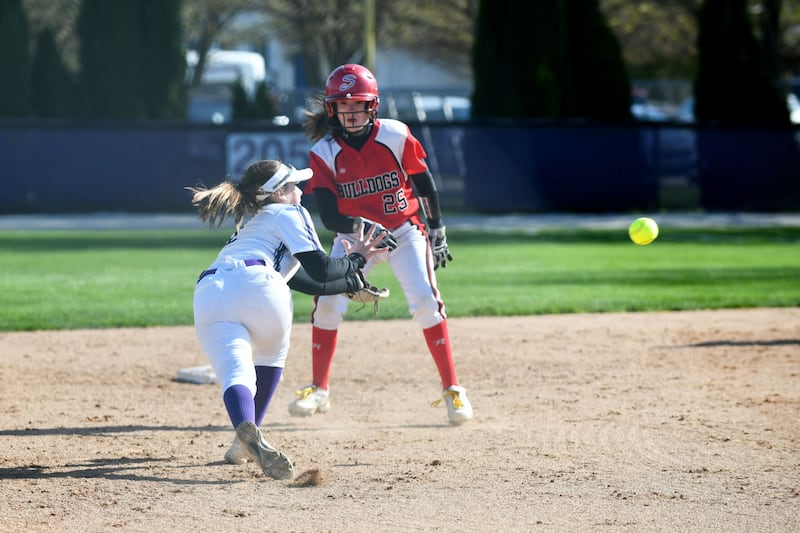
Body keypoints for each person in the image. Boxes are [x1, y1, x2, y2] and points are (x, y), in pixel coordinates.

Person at [288, 63, 473, 425]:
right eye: (344, 105)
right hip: (356, 238)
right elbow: (329, 216)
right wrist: (364, 227)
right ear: (333, 109)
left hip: (403, 230)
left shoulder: (395, 134)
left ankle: (453, 389)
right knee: (326, 304)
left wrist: (437, 229)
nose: (351, 111)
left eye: (357, 104)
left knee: (424, 300)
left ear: (373, 105)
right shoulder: (324, 152)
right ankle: (319, 389)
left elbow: (424, 185)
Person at [187, 159, 388, 479]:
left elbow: (302, 281)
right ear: (279, 193)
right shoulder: (290, 212)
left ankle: (244, 429)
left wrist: (350, 282)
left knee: (234, 369)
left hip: (210, 289)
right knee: (270, 356)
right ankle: (243, 441)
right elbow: (321, 268)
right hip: (261, 285)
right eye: (293, 186)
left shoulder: (250, 227)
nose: (301, 191)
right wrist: (358, 259)